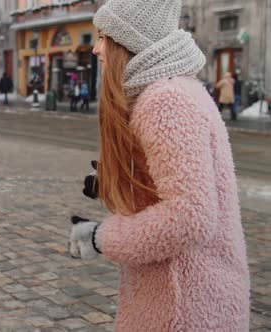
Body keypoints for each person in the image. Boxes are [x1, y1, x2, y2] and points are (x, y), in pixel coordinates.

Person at [68, 0, 250, 331]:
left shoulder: (165, 100)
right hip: (196, 296)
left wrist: (100, 238)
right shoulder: (176, 91)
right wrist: (116, 180)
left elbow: (188, 217)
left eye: (104, 37)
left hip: (181, 306)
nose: (96, 48)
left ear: (128, 42)